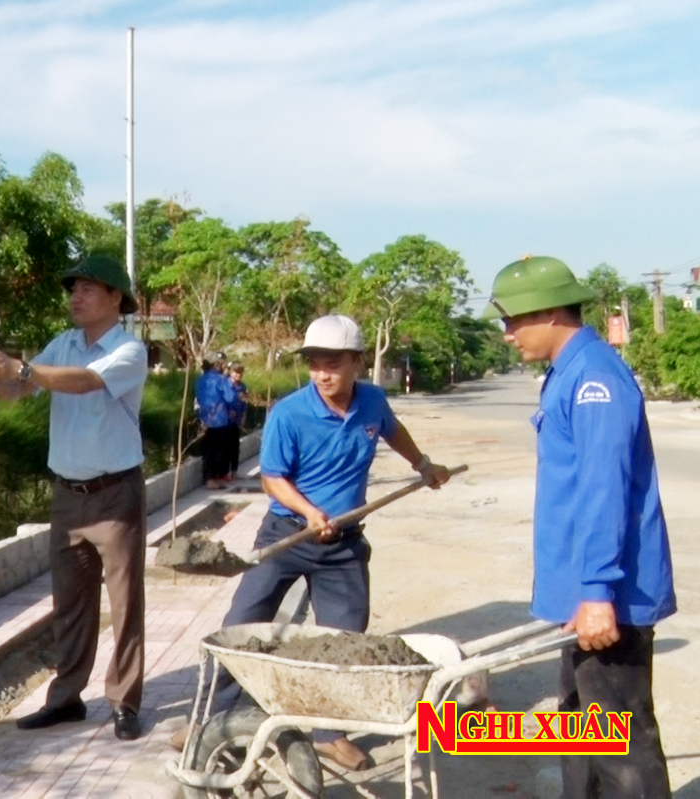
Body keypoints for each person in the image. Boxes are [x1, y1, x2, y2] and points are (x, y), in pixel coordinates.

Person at [191, 314, 451, 771]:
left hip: (344, 544)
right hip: (288, 533)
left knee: (345, 638)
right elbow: (272, 478)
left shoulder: (372, 401)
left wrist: (423, 464)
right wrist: (310, 513)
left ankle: (330, 732)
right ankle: (214, 724)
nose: (323, 374)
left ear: (357, 362)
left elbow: (392, 429)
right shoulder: (289, 413)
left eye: (333, 364)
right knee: (242, 624)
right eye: (314, 364)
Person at [483, 256, 674, 797]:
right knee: (583, 732)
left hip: (607, 599)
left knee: (622, 743)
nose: (507, 334)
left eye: (514, 321)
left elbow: (602, 490)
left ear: (550, 312)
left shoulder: (594, 379)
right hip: (584, 598)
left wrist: (595, 591)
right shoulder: (568, 373)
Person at [0, 254, 149, 741]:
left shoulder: (128, 351)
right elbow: (20, 390)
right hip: (68, 493)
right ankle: (67, 698)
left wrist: (22, 369)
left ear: (116, 298)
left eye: (88, 288)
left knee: (125, 601)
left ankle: (125, 701)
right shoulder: (64, 343)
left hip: (115, 495)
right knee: (70, 603)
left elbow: (85, 383)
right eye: (73, 288)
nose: (76, 296)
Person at [195, 353, 235, 489]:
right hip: (220, 419)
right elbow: (230, 397)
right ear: (217, 364)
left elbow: (198, 397)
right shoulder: (221, 379)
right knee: (219, 451)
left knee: (207, 451)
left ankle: (208, 478)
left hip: (205, 419)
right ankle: (215, 478)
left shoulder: (200, 379)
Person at [225, 361, 249, 479]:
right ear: (230, 372)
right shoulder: (225, 386)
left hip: (236, 422)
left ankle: (234, 471)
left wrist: (243, 417)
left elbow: (244, 404)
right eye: (235, 372)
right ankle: (225, 472)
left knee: (235, 447)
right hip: (225, 422)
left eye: (240, 373)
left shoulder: (242, 387)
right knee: (225, 448)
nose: (238, 375)